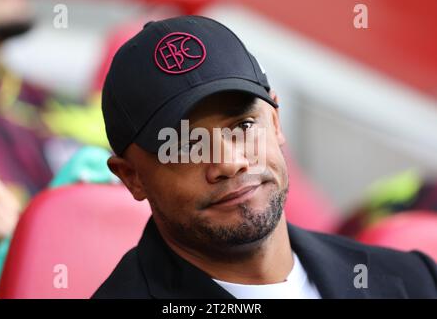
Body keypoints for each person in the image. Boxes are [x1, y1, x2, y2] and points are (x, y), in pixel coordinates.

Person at [93, 16, 437, 299]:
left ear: (275, 121)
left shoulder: (412, 280)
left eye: (243, 125)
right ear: (131, 177)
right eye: (185, 146)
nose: (230, 162)